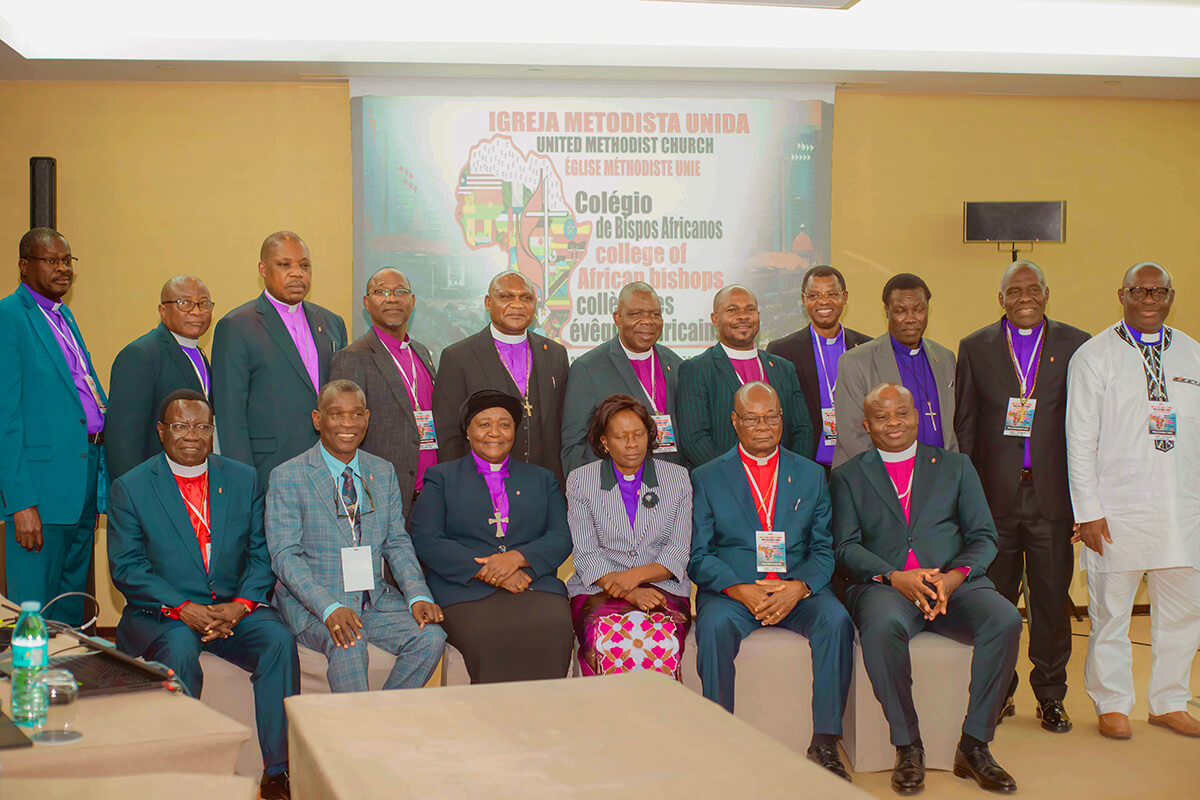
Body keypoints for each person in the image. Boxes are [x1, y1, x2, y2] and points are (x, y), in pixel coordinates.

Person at [107, 390, 297, 800]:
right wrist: (182, 607)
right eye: (180, 425)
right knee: (179, 650)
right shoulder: (132, 487)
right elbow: (126, 567)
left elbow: (261, 552)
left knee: (278, 640)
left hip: (232, 608)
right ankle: (185, 771)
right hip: (168, 614)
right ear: (161, 431)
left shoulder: (242, 477)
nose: (191, 434)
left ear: (213, 432)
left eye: (201, 426)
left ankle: (279, 772)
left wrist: (242, 604)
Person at [832, 383, 1021, 794]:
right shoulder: (848, 475)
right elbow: (844, 548)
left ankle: (974, 745)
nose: (893, 422)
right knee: (881, 629)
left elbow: (985, 536)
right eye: (881, 417)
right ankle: (908, 745)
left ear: (917, 416)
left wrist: (955, 577)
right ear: (866, 425)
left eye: (901, 413)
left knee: (1005, 619)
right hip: (886, 588)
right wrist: (893, 576)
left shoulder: (956, 466)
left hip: (955, 583)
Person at [690, 381, 854, 781]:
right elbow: (698, 555)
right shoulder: (708, 477)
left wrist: (800, 587)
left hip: (796, 589)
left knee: (836, 620)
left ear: (783, 418)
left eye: (771, 417)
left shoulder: (812, 475)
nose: (763, 426)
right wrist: (737, 588)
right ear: (735, 422)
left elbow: (822, 549)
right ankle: (719, 734)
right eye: (752, 418)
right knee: (712, 626)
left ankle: (826, 741)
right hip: (734, 591)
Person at [1066, 262, 1200, 740]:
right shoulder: (1093, 356)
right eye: (1139, 291)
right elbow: (1078, 440)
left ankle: (1168, 701)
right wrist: (1089, 513)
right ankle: (1113, 702)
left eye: (1158, 291)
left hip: (1182, 513)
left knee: (1183, 613)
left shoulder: (1191, 354)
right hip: (1116, 512)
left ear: (1170, 296)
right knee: (1110, 614)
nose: (1149, 299)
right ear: (1121, 294)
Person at [954, 261, 1089, 733]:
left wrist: (1086, 502)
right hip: (995, 501)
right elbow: (966, 427)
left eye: (1034, 289)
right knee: (995, 602)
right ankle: (1000, 690)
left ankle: (1051, 695)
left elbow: (1088, 428)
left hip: (1053, 497)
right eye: (1015, 291)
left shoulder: (1078, 345)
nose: (1025, 297)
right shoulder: (975, 347)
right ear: (1001, 299)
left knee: (1052, 603)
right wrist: (964, 502)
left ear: (1047, 294)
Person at [265, 380, 446, 693]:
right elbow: (284, 557)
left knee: (431, 638)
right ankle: (355, 735)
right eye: (336, 414)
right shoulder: (289, 476)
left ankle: (377, 723)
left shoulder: (382, 471)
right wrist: (329, 608)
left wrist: (417, 594)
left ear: (367, 418)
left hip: (373, 601)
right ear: (317, 419)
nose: (347, 423)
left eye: (356, 414)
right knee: (350, 643)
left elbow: (396, 541)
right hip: (316, 605)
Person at [409, 389, 574, 684]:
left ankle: (548, 721)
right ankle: (492, 725)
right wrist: (488, 571)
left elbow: (561, 535)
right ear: (468, 432)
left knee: (555, 624)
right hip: (465, 590)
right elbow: (427, 539)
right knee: (490, 634)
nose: (494, 433)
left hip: (532, 583)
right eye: (484, 424)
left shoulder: (542, 478)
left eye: (505, 424)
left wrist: (517, 559)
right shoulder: (441, 478)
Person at [0, 228, 106, 625]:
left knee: (69, 609)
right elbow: (4, 417)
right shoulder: (9, 317)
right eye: (52, 260)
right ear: (25, 266)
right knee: (34, 614)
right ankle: (29, 686)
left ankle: (65, 686)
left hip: (80, 483)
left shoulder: (62, 316)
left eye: (67, 261)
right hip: (39, 493)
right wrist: (20, 502)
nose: (63, 269)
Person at [565, 394, 693, 678]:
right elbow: (587, 556)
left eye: (638, 434)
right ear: (604, 442)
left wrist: (633, 577)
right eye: (621, 437)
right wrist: (631, 592)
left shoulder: (678, 477)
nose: (632, 443)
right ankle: (606, 720)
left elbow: (677, 552)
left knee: (660, 643)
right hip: (597, 590)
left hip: (664, 590)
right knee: (607, 643)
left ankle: (660, 720)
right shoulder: (581, 481)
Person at [213, 231, 347, 486]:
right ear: (263, 269)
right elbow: (231, 416)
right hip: (269, 471)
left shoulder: (332, 323)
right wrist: (244, 483)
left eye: (304, 265)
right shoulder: (237, 326)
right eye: (285, 265)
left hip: (329, 467)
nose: (297, 273)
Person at [432, 272, 570, 484]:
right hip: (481, 484)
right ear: (488, 303)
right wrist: (457, 487)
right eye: (506, 297)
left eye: (526, 298)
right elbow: (448, 434)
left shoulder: (555, 354)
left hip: (545, 485)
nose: (517, 305)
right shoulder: (458, 357)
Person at [330, 267, 437, 515]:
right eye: (381, 292)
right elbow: (342, 435)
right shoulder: (351, 358)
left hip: (430, 495)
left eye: (400, 291)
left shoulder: (421, 353)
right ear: (367, 303)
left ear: (412, 301)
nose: (392, 298)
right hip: (382, 497)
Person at [676, 285, 813, 467]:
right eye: (732, 310)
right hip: (724, 484)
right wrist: (733, 477)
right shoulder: (696, 369)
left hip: (781, 484)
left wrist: (793, 474)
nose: (743, 316)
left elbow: (802, 429)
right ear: (715, 319)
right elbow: (695, 438)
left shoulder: (784, 368)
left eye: (750, 310)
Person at [561, 282, 686, 474]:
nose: (647, 321)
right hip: (612, 490)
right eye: (636, 314)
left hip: (671, 486)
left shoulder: (676, 364)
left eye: (655, 314)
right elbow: (574, 443)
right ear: (618, 318)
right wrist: (588, 492)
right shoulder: (587, 368)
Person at [833, 273, 957, 467]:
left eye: (919, 310)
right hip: (878, 478)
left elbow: (951, 431)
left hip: (939, 476)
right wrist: (896, 474)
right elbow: (853, 434)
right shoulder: (856, 361)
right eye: (901, 311)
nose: (911, 318)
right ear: (887, 311)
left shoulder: (945, 358)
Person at [106, 276, 218, 480]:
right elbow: (123, 441)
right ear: (163, 311)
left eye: (204, 304)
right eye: (185, 303)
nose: (197, 311)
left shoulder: (200, 354)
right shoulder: (140, 355)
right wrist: (130, 498)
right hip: (154, 484)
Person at [767, 265, 871, 471]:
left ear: (845, 297)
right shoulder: (781, 351)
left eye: (832, 294)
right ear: (803, 299)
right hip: (805, 467)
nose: (823, 301)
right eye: (814, 295)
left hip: (859, 465)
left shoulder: (867, 348)